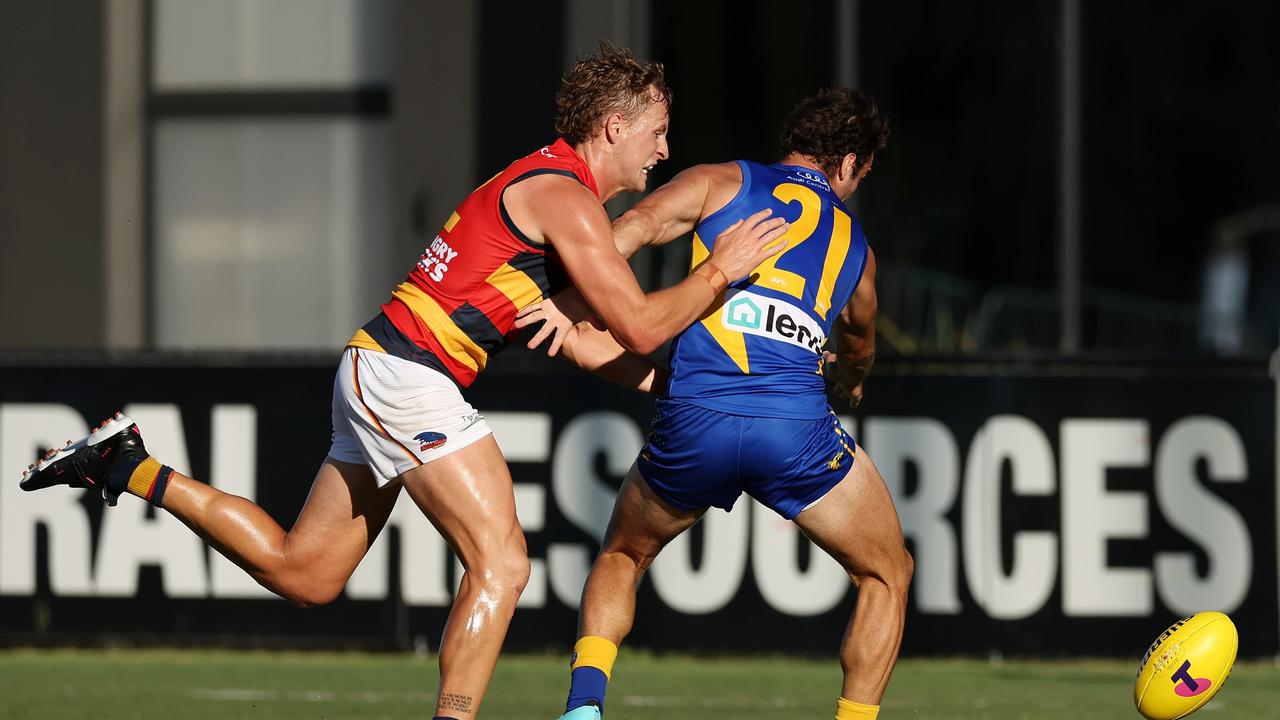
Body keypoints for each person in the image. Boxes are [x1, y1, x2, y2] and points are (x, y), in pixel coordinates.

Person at [17, 43, 788, 720]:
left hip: (380, 367)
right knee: (505, 562)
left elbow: (594, 348)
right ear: (613, 127)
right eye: (656, 132)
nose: (663, 151)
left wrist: (686, 388)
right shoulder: (568, 201)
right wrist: (722, 269)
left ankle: (127, 466)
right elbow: (646, 325)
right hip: (406, 377)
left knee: (306, 573)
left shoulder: (555, 195)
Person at [523, 88, 912, 720]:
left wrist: (563, 300)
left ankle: (584, 706)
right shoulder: (858, 252)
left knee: (623, 555)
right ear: (846, 166)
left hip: (693, 420)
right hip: (795, 432)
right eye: (858, 178)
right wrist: (853, 382)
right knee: (887, 573)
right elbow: (860, 344)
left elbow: (627, 232)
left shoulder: (719, 181)